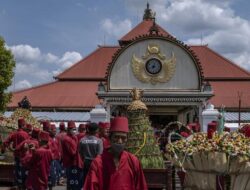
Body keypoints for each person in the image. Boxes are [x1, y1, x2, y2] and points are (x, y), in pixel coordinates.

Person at [83, 116, 148, 190]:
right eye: (116, 137)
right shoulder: (98, 162)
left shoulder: (133, 161)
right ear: (110, 138)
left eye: (123, 138)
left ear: (127, 140)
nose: (120, 141)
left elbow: (140, 186)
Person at [2, 118, 29, 190]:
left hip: (16, 155)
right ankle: (22, 185)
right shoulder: (26, 134)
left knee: (17, 170)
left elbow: (5, 142)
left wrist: (6, 149)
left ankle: (17, 184)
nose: (26, 126)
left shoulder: (13, 134)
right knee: (23, 171)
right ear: (22, 125)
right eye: (25, 125)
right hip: (24, 156)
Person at [61, 121, 83, 190]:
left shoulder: (74, 137)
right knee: (72, 183)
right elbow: (72, 152)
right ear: (68, 129)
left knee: (76, 182)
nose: (74, 130)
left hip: (75, 162)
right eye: (72, 129)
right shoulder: (66, 139)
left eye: (74, 128)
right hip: (71, 163)